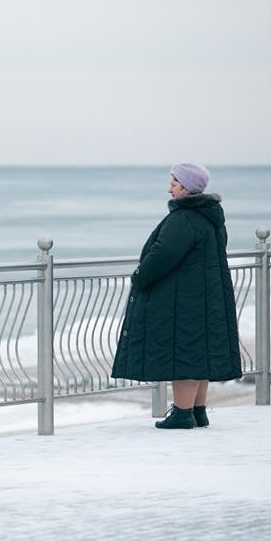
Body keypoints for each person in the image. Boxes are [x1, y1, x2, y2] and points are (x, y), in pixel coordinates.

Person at [110, 163, 243, 429]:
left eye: (174, 182)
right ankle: (197, 411)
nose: (169, 187)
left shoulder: (184, 219)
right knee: (199, 353)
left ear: (187, 187)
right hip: (204, 297)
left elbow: (162, 255)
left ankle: (182, 415)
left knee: (185, 354)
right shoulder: (210, 217)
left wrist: (139, 276)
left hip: (184, 301)